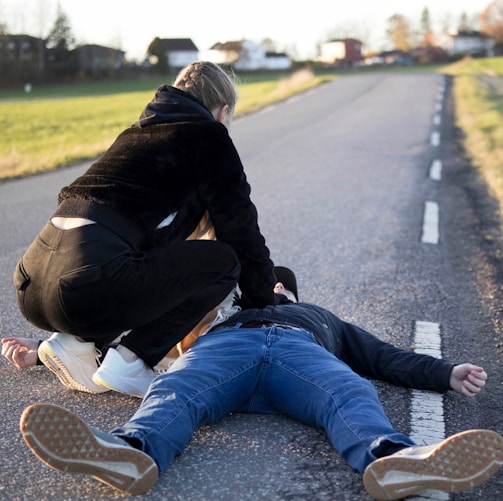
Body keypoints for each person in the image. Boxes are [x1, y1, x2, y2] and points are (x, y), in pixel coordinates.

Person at [18, 271, 503, 500]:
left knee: (351, 391)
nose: (272, 287)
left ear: (292, 292)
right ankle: (131, 450)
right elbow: (132, 336)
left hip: (298, 357)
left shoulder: (318, 317)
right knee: (175, 389)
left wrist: (445, 372)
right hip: (225, 352)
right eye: (264, 282)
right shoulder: (219, 316)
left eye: (279, 283)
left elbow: (382, 357)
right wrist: (40, 352)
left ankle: (392, 459)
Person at [12, 61, 282, 399]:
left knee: (137, 262)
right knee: (224, 261)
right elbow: (241, 232)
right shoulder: (208, 135)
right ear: (223, 111)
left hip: (32, 282)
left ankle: (73, 343)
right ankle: (131, 360)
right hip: (86, 284)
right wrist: (266, 302)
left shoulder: (134, 135)